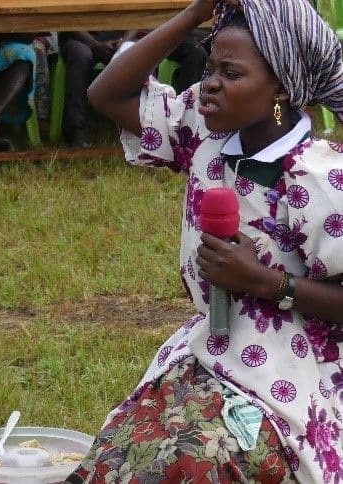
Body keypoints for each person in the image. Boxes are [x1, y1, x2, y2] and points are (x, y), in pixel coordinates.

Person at [69, 0, 343, 481]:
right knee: (122, 457)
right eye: (210, 66)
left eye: (230, 73)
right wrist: (195, 12)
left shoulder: (319, 177)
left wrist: (269, 282)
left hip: (297, 370)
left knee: (192, 462)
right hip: (211, 342)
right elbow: (106, 93)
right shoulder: (204, 133)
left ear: (279, 85)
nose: (210, 83)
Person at [59, 30, 208, 148]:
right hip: (81, 38)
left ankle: (152, 131)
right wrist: (95, 43)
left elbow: (138, 14)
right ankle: (75, 132)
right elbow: (65, 14)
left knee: (137, 56)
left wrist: (125, 40)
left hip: (122, 36)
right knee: (80, 55)